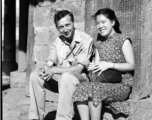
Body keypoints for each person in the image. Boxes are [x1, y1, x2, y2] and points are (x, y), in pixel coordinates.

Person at [29, 10, 93, 120]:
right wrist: (46, 68)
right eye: (61, 27)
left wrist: (53, 70)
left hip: (81, 81)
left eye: (68, 25)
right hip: (62, 82)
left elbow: (79, 69)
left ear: (73, 23)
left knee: (67, 76)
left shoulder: (86, 40)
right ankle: (35, 117)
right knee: (35, 76)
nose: (65, 29)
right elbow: (50, 61)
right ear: (57, 28)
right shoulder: (58, 41)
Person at [73, 8, 135, 120]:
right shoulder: (98, 45)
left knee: (94, 89)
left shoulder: (123, 40)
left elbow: (131, 65)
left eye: (103, 22)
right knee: (81, 88)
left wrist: (110, 65)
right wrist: (92, 67)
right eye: (97, 23)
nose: (100, 26)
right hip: (104, 81)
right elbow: (97, 71)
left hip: (121, 84)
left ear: (112, 22)